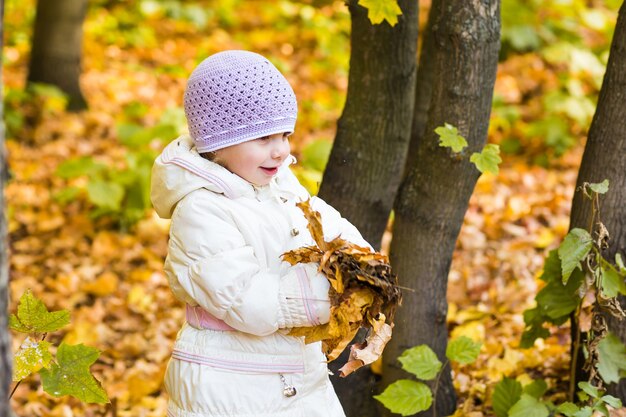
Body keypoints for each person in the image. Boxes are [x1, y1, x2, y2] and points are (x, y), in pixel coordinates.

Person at [151, 50, 370, 417]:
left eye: (285, 134)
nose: (281, 150)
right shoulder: (200, 211)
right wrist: (332, 294)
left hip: (295, 374)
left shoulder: (281, 185)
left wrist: (362, 266)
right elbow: (247, 300)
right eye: (264, 138)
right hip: (229, 382)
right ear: (217, 144)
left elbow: (328, 227)